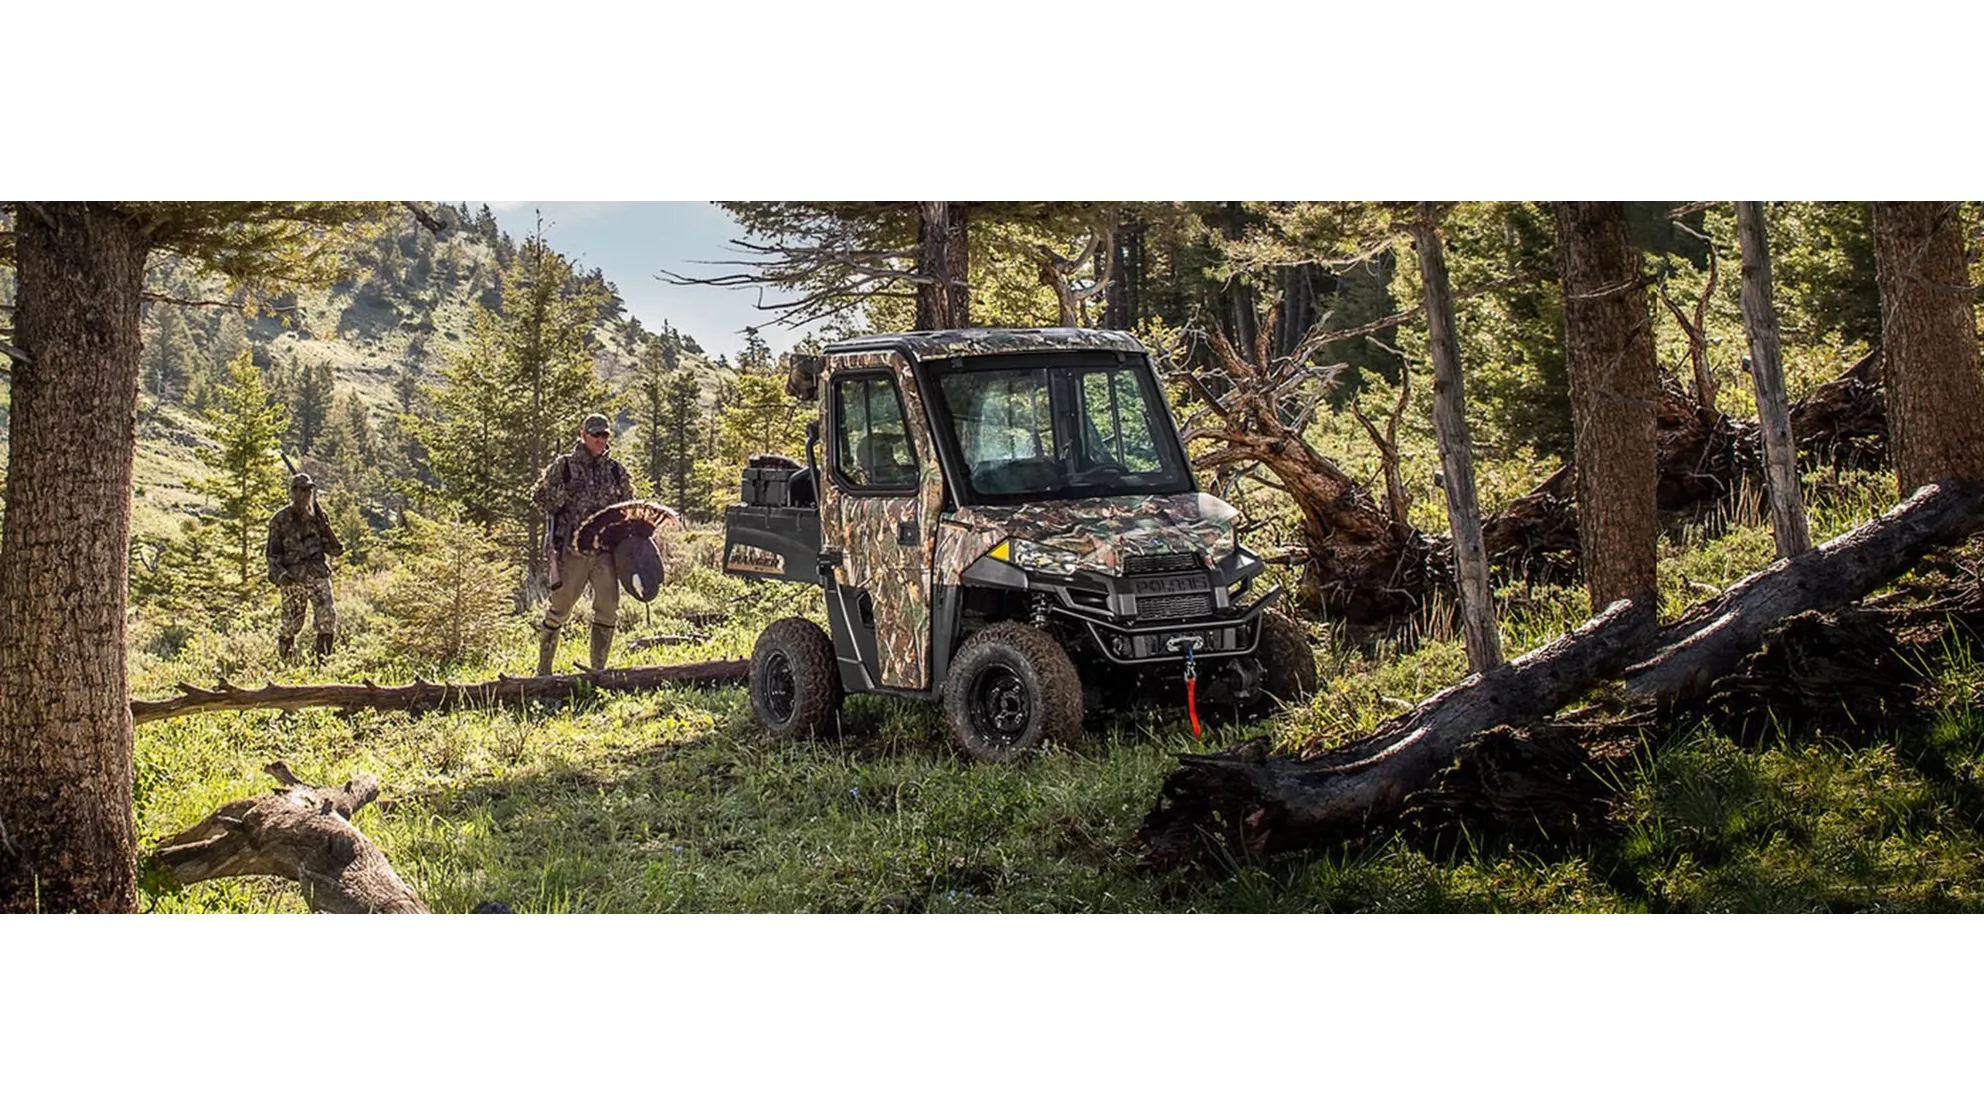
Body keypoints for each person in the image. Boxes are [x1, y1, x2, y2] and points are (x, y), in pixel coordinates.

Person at [532, 412, 634, 674]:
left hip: (605, 553)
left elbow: (629, 508)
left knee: (608, 609)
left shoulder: (616, 471)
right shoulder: (564, 467)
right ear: (583, 435)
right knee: (559, 609)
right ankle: (543, 672)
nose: (601, 439)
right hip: (573, 551)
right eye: (596, 434)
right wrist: (563, 494)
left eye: (605, 434)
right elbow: (539, 497)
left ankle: (598, 671)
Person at [265, 472, 344, 663]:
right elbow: (272, 554)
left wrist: (326, 528)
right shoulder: (280, 519)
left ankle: (323, 662)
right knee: (292, 623)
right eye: (302, 489)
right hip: (293, 577)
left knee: (328, 617)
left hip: (318, 574)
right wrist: (283, 577)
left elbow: (333, 550)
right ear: (293, 492)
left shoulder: (319, 516)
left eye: (310, 489)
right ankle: (286, 662)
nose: (307, 493)